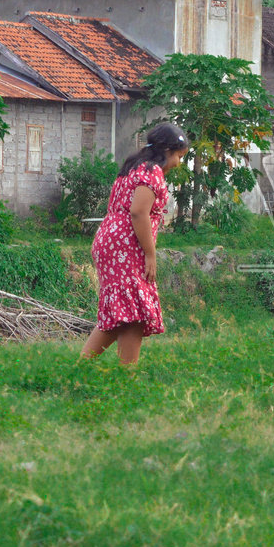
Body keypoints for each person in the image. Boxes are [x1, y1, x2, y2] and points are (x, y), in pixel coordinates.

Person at [82, 124, 189, 366]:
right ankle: (126, 378)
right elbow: (139, 213)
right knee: (134, 313)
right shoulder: (152, 172)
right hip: (125, 245)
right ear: (168, 150)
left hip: (110, 240)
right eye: (179, 156)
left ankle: (83, 366)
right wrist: (150, 255)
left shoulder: (133, 167)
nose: (178, 163)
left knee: (124, 310)